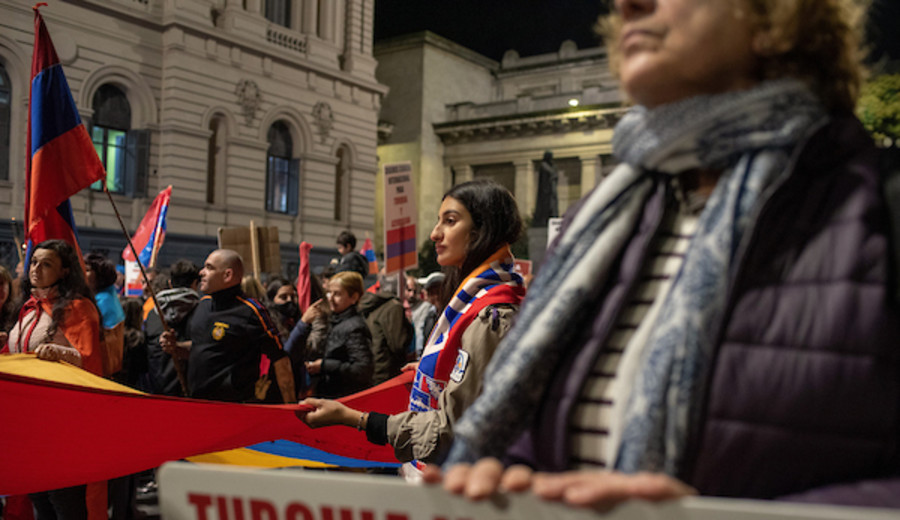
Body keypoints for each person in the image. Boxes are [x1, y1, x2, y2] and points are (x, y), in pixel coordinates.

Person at [430, 0, 900, 510]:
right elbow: (535, 425)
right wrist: (513, 478)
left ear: (776, 19)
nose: (626, 4)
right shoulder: (600, 223)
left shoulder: (878, 208)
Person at [300, 180, 526, 467]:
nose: (434, 234)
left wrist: (353, 418)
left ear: (482, 230)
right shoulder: (478, 300)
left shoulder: (492, 314)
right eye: (438, 221)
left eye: (450, 221)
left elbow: (451, 431)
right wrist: (435, 371)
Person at [5, 240, 106, 518]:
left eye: (46, 264)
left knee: (64, 502)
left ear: (64, 271)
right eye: (34, 262)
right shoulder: (26, 307)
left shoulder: (78, 307)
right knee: (40, 500)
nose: (36, 268)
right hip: (27, 423)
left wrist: (59, 352)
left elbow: (90, 361)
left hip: (63, 423)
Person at [160, 249, 295, 403]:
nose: (201, 273)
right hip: (198, 404)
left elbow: (280, 360)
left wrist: (290, 407)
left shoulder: (251, 311)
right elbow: (202, 348)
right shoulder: (203, 305)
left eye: (209, 268)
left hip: (234, 407)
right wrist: (175, 347)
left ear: (227, 275)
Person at [292, 271, 373, 398]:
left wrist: (324, 365)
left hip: (346, 397)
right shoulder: (334, 320)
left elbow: (362, 370)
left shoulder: (355, 327)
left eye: (337, 294)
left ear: (354, 297)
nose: (330, 298)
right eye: (329, 292)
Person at [145, 259, 200, 396]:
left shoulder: (153, 313)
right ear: (195, 284)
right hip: (191, 391)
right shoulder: (202, 312)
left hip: (156, 389)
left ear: (170, 283)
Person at [358, 271, 414, 384]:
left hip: (375, 369)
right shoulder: (394, 307)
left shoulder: (373, 303)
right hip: (387, 372)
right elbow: (399, 344)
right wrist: (409, 326)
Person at [85, 252, 125, 377]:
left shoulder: (102, 301)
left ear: (100, 276)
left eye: (87, 270)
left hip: (101, 369)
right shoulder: (108, 296)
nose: (82, 274)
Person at [408, 273, 439, 359]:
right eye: (409, 290)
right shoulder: (431, 314)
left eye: (414, 291)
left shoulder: (426, 309)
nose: (412, 294)